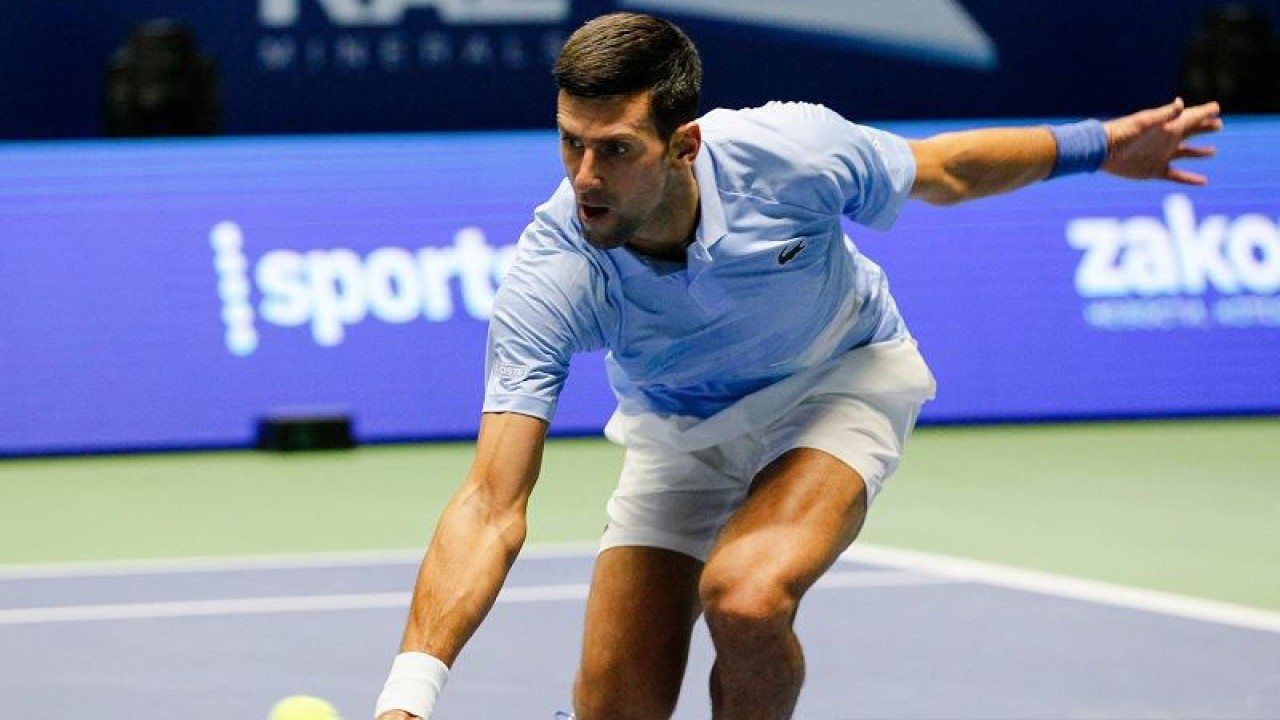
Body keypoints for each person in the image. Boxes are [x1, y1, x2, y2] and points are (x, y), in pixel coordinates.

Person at [374, 12, 1222, 720]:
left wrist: (1099, 146)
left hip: (836, 383)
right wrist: (406, 699)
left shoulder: (790, 155)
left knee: (745, 595)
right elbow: (492, 503)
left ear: (685, 144)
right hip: (680, 434)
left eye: (617, 150)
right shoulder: (553, 268)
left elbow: (947, 171)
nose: (585, 177)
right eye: (570, 144)